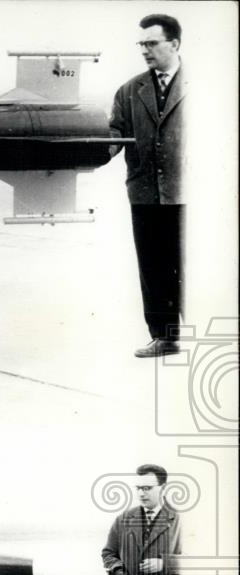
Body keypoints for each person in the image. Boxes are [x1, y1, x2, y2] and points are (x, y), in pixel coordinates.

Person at [109, 14, 186, 358]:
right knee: (153, 266)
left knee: (192, 264)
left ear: (174, 44)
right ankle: (164, 337)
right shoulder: (130, 90)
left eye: (152, 43)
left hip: (190, 192)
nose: (145, 50)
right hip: (144, 193)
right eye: (142, 44)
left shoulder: (206, 84)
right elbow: (113, 135)